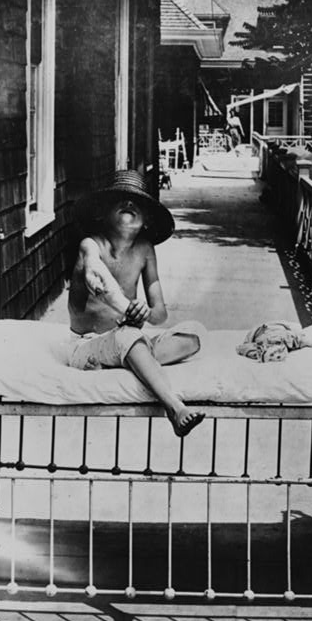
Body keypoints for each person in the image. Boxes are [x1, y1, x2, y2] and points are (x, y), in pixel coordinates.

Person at [68, 170, 205, 437]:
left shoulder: (144, 250)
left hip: (126, 338)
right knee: (128, 336)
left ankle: (132, 359)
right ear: (103, 214)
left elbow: (160, 313)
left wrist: (145, 313)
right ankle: (174, 407)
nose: (129, 205)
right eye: (120, 201)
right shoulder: (91, 245)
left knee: (195, 335)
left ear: (145, 221)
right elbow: (98, 277)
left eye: (137, 203)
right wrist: (127, 310)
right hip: (87, 344)